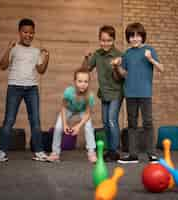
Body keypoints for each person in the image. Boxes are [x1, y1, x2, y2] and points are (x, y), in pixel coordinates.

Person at [0, 18, 50, 163]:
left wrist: (47, 57)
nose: (28, 35)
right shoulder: (14, 49)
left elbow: (41, 70)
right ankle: (1, 152)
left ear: (34, 34)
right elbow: (2, 66)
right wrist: (8, 48)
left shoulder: (36, 51)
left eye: (31, 33)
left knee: (35, 121)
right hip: (14, 87)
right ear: (19, 32)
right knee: (9, 120)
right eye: (25, 32)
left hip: (32, 89)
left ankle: (39, 151)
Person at [112, 22, 164, 164]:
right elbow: (124, 74)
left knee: (148, 123)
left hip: (145, 93)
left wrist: (150, 59)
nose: (135, 39)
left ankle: (152, 154)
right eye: (131, 36)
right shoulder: (127, 54)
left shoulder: (149, 50)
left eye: (138, 36)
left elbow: (162, 68)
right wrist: (117, 66)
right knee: (132, 124)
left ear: (142, 37)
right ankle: (133, 155)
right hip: (130, 93)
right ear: (128, 38)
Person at [82, 25, 123, 162]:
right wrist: (86, 58)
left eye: (109, 41)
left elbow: (120, 78)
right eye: (103, 40)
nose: (105, 43)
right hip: (104, 93)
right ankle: (110, 150)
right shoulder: (97, 54)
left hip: (116, 92)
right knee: (105, 123)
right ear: (99, 40)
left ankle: (115, 151)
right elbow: (86, 69)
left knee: (112, 120)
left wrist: (116, 67)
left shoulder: (118, 55)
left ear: (113, 40)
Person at [47, 67, 97, 163]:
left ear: (88, 83)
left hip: (82, 110)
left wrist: (78, 126)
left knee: (88, 126)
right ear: (74, 82)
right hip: (68, 109)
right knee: (58, 127)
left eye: (86, 82)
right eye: (80, 81)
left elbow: (87, 114)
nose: (83, 84)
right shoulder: (69, 92)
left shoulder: (89, 96)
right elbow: (63, 108)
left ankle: (91, 153)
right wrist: (65, 124)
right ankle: (55, 153)